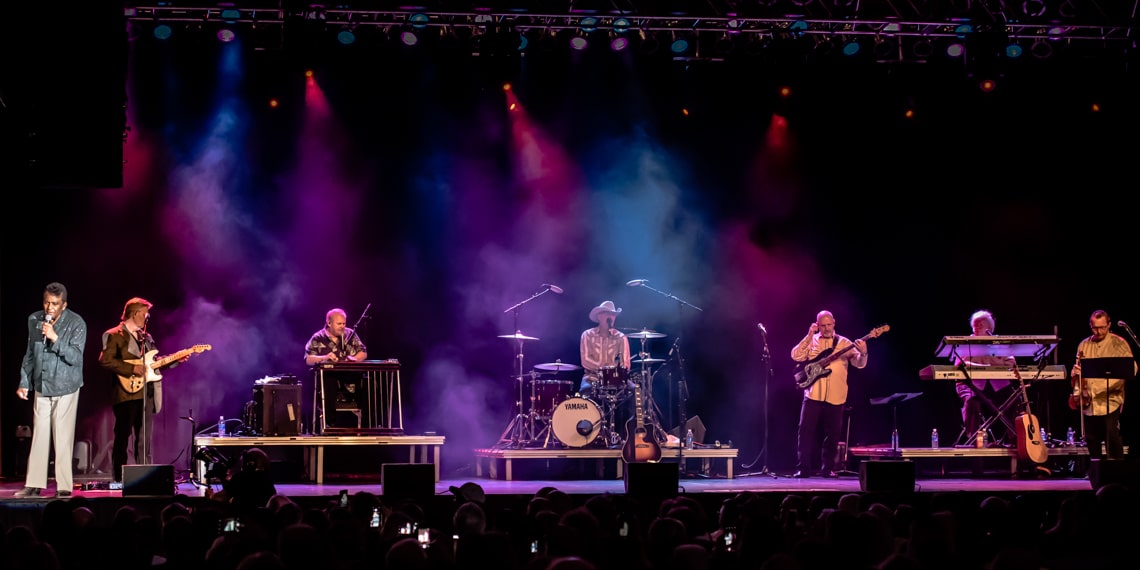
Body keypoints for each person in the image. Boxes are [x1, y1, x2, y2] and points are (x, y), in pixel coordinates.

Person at [99, 297, 186, 482]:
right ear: (136, 313)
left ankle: (144, 477)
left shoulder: (146, 337)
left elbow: (153, 364)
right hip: (125, 394)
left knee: (144, 439)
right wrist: (131, 368)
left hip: (146, 392)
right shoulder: (113, 334)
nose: (147, 317)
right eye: (146, 314)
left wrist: (175, 360)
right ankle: (119, 479)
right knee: (123, 436)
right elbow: (105, 360)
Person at [14, 282, 86, 498]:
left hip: (66, 386)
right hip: (42, 384)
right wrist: (24, 382)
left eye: (55, 304)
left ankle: (63, 486)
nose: (49, 307)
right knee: (39, 435)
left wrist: (55, 338)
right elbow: (30, 353)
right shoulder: (34, 319)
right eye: (47, 302)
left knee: (62, 437)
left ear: (64, 305)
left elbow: (76, 358)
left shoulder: (76, 323)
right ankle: (33, 484)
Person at [790, 310, 868, 478]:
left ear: (834, 323)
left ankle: (827, 468)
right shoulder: (812, 340)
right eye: (823, 325)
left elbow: (859, 364)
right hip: (813, 394)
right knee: (805, 432)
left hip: (836, 395)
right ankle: (803, 468)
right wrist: (809, 335)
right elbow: (796, 356)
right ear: (817, 325)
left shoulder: (844, 342)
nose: (826, 328)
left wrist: (863, 353)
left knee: (832, 434)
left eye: (829, 325)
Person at [1069, 310, 1136, 461]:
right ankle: (1096, 471)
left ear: (1109, 325)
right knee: (1092, 441)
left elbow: (1131, 369)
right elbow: (1079, 372)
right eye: (1095, 328)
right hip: (1089, 402)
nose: (1099, 332)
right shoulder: (1084, 345)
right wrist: (1076, 375)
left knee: (1112, 438)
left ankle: (1116, 471)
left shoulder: (1119, 343)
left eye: (1102, 327)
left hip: (1110, 401)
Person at [952, 310, 1017, 447]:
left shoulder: (999, 343)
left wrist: (993, 365)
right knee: (972, 402)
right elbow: (962, 365)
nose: (976, 327)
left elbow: (1011, 363)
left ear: (989, 328)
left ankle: (1013, 439)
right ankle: (974, 440)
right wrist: (988, 366)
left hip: (997, 384)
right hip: (972, 385)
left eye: (980, 325)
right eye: (974, 325)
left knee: (1015, 399)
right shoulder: (966, 343)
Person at [579, 300, 632, 400]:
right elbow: (585, 360)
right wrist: (604, 370)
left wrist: (613, 371)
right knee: (586, 391)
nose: (611, 317)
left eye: (613, 314)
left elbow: (625, 363)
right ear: (599, 316)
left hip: (617, 379)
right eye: (607, 313)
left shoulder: (621, 337)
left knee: (633, 391)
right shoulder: (587, 335)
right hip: (592, 378)